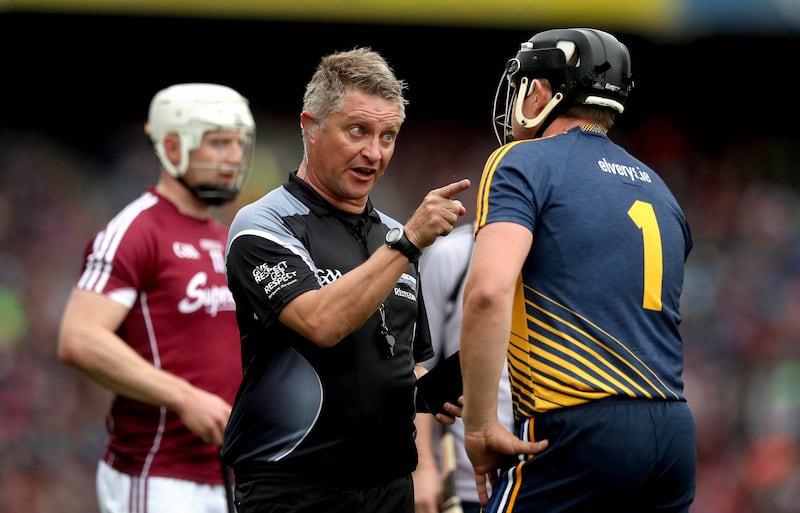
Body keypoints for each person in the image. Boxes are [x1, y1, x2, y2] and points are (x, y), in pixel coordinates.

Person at [221, 47, 470, 513]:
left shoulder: (394, 237)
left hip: (390, 487)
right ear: (310, 127)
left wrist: (428, 391)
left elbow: (401, 363)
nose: (374, 153)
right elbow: (322, 322)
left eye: (388, 136)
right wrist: (411, 242)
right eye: (358, 130)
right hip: (294, 489)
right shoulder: (263, 225)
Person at [459, 28, 697, 513]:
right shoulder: (659, 188)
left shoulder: (521, 161)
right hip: (673, 431)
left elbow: (487, 291)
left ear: (543, 91)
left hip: (578, 424)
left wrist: (481, 425)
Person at [57, 83, 256, 513]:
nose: (235, 157)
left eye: (239, 144)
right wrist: (183, 396)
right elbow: (79, 338)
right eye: (219, 143)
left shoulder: (226, 238)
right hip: (158, 473)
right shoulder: (136, 231)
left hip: (227, 473)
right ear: (172, 146)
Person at [413, 221, 515, 513]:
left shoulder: (566, 257)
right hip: (467, 484)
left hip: (549, 475)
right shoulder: (454, 254)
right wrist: (424, 470)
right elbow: (420, 365)